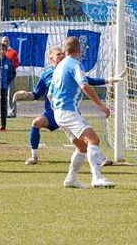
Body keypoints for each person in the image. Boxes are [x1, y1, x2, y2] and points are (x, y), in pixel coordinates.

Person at [13, 45, 117, 166]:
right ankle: (34, 156)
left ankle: (101, 159)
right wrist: (25, 95)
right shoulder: (47, 74)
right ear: (50, 58)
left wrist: (109, 80)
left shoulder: (68, 68)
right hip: (52, 113)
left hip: (68, 111)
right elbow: (37, 94)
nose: (61, 55)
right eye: (58, 54)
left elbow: (88, 80)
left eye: (62, 53)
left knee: (83, 140)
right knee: (36, 123)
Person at [50, 36, 116, 188]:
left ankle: (71, 179)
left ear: (65, 50)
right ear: (79, 50)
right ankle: (97, 178)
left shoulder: (58, 67)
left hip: (58, 112)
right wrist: (101, 105)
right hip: (68, 111)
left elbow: (50, 94)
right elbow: (84, 85)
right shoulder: (75, 64)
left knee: (82, 147)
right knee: (93, 140)